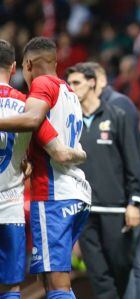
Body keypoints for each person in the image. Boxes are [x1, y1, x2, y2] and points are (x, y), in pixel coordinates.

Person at [0, 36, 91, 299]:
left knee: (56, 282)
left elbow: (34, 121)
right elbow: (56, 144)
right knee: (51, 281)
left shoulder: (40, 87)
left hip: (53, 196)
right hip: (74, 193)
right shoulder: (69, 93)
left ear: (28, 64)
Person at [66, 63, 140, 299]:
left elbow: (134, 162)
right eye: (68, 84)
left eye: (76, 82)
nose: (72, 88)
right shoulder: (68, 122)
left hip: (116, 209)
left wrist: (134, 202)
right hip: (84, 212)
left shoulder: (117, 116)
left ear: (92, 82)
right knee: (99, 277)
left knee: (121, 267)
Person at [82, 61, 140, 299]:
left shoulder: (118, 104)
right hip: (116, 196)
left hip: (129, 193)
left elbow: (129, 155)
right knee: (123, 261)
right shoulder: (95, 110)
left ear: (97, 80)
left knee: (128, 260)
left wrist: (131, 199)